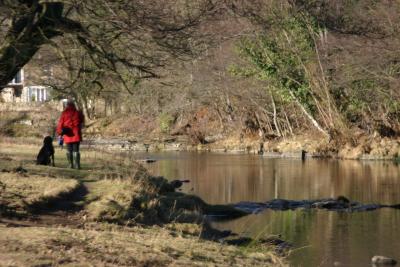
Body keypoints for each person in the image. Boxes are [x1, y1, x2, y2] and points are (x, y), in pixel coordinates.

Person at [56, 99, 84, 169]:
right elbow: (82, 120)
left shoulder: (64, 113)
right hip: (76, 133)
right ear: (74, 105)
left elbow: (60, 124)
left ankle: (70, 165)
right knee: (76, 150)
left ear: (67, 105)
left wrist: (59, 132)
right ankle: (77, 165)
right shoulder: (78, 112)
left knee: (69, 150)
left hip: (68, 134)